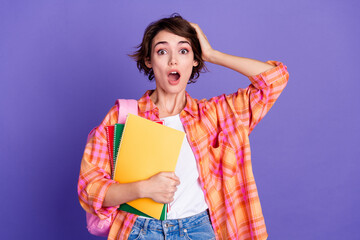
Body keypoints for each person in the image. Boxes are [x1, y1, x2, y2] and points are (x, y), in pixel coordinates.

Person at [78, 14, 289, 240]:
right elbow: (90, 188)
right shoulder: (123, 116)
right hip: (139, 230)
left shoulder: (217, 115)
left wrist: (213, 54)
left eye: (183, 51)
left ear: (195, 60)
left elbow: (275, 80)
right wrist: (143, 189)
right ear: (149, 60)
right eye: (162, 51)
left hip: (198, 230)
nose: (173, 61)